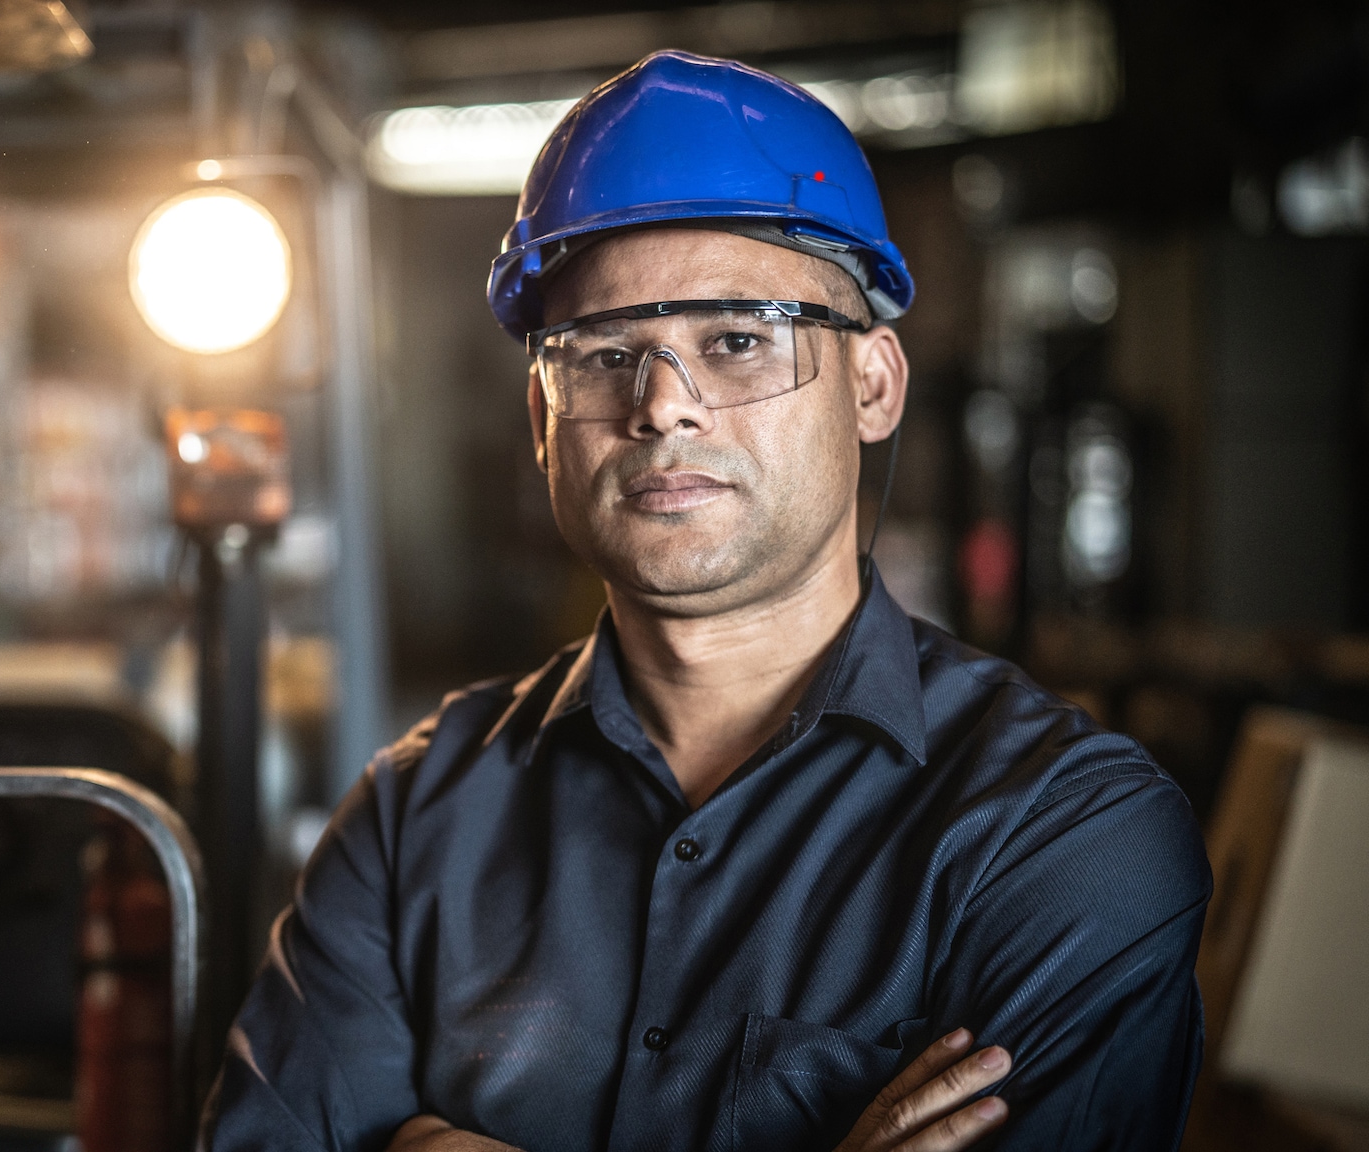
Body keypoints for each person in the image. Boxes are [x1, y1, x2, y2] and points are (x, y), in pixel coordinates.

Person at [203, 51, 1211, 1152]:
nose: (662, 407)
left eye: (735, 341)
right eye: (601, 355)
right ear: (542, 420)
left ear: (871, 385)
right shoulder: (409, 827)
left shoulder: (1061, 836)